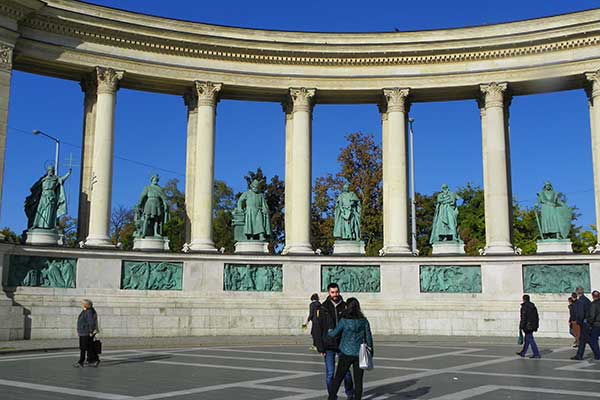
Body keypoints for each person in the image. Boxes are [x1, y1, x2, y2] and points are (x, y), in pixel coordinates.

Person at [312, 283, 354, 400]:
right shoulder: (322, 307)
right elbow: (317, 328)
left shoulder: (345, 307)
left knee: (346, 372)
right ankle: (332, 396)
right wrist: (320, 347)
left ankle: (350, 394)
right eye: (332, 292)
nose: (335, 294)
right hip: (328, 344)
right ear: (329, 293)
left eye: (336, 292)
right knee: (330, 373)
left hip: (343, 344)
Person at [327, 297, 373, 400]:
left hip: (345, 353)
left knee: (338, 379)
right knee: (358, 381)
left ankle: (331, 398)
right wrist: (371, 352)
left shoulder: (344, 321)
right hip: (359, 354)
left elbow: (334, 333)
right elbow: (369, 338)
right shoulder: (364, 321)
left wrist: (328, 331)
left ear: (347, 307)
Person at [75, 299, 100, 367]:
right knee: (89, 347)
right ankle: (94, 360)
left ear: (86, 305)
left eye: (82, 303)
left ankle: (81, 362)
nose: (81, 304)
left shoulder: (89, 311)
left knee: (83, 348)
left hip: (86, 332)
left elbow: (91, 322)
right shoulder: (86, 310)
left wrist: (90, 331)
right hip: (84, 332)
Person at [578, 290, 600, 360]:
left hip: (596, 324)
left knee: (593, 340)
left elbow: (592, 316)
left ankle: (597, 355)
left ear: (593, 296)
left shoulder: (593, 304)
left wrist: (588, 322)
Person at [517, 294, 541, 359]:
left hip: (527, 326)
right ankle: (523, 352)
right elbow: (536, 317)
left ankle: (536, 354)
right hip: (532, 325)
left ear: (523, 299)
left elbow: (523, 317)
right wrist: (536, 325)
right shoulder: (533, 307)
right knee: (527, 339)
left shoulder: (524, 307)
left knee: (530, 339)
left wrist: (521, 326)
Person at [572, 287, 592, 360]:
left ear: (577, 293)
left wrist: (578, 322)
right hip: (588, 322)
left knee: (587, 340)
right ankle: (579, 355)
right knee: (585, 340)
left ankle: (597, 353)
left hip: (584, 323)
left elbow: (581, 313)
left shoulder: (580, 301)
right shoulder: (587, 300)